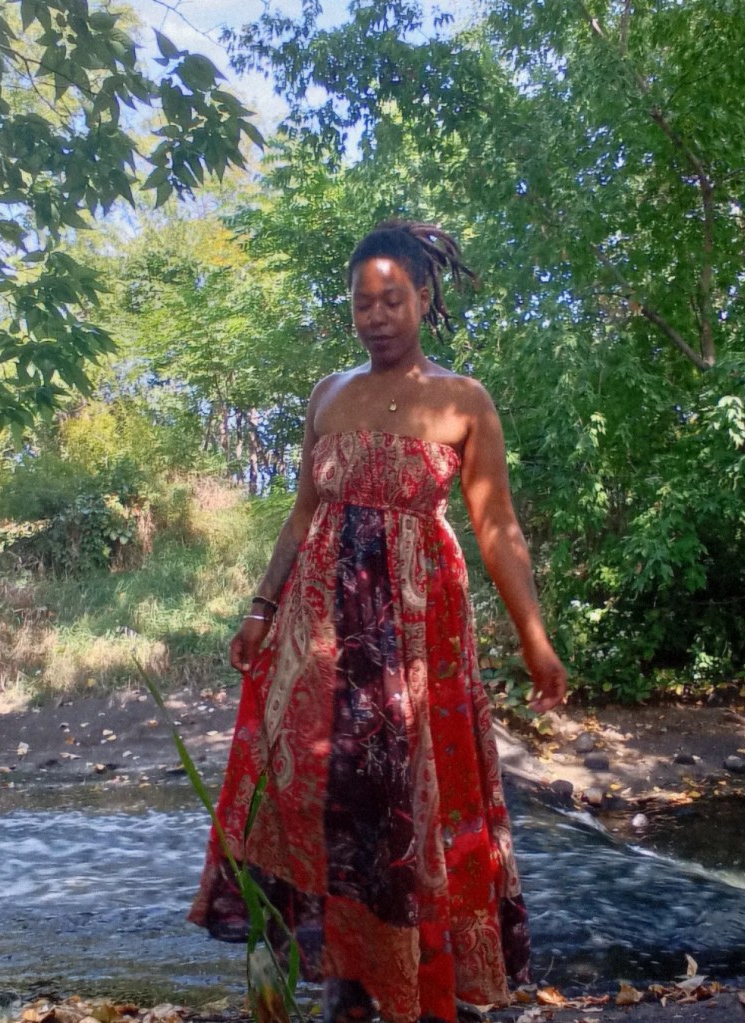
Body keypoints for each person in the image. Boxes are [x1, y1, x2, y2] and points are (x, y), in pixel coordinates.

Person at [188, 220, 567, 1023]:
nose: (376, 315)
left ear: (423, 299)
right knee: (322, 796)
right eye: (362, 301)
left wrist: (534, 638)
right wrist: (261, 608)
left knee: (408, 802)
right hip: (318, 636)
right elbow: (300, 515)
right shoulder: (327, 393)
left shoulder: (464, 400)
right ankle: (345, 985)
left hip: (416, 634)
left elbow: (496, 528)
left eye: (392, 298)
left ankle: (421, 987)